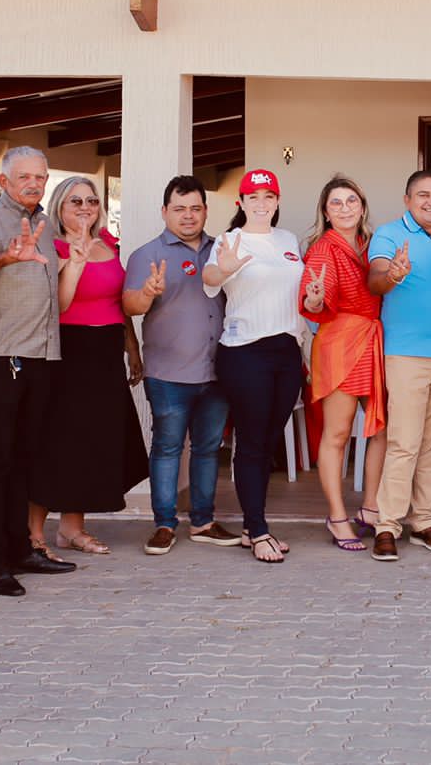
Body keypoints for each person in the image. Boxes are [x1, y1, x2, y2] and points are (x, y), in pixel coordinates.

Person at [0, 147, 76, 597]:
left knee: (25, 459)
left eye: (40, 177)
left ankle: (20, 549)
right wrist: (5, 258)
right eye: (24, 176)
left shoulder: (43, 223)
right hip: (0, 358)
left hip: (41, 357)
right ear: (4, 181)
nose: (34, 184)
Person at [28, 175, 148, 556]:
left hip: (106, 353)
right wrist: (75, 264)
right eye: (75, 201)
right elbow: (59, 305)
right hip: (68, 352)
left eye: (91, 201)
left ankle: (71, 529)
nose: (85, 208)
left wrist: (132, 346)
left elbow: (118, 302)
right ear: (59, 207)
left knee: (89, 442)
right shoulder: (51, 246)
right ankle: (34, 534)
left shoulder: (109, 244)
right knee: (56, 442)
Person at [125, 175, 235, 556]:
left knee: (207, 448)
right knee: (167, 448)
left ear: (205, 210)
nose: (188, 216)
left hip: (217, 371)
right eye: (179, 209)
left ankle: (203, 521)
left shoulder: (221, 250)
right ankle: (164, 524)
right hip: (168, 373)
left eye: (195, 208)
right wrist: (147, 293)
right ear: (164, 212)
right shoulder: (146, 255)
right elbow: (129, 306)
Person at [203, 169, 306, 564]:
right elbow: (209, 279)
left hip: (286, 350)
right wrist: (225, 268)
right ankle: (259, 530)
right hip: (245, 350)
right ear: (241, 203)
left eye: (268, 197)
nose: (261, 204)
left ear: (277, 201)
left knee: (268, 442)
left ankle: (252, 526)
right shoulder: (229, 241)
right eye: (253, 197)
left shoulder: (288, 240)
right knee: (251, 442)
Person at [365, 171, 431, 562]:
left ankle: (424, 521)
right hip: (406, 355)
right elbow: (375, 280)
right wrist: (393, 274)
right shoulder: (389, 234)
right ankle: (387, 525)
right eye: (423, 194)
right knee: (404, 442)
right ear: (407, 199)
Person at [300, 175, 387, 552]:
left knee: (382, 430)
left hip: (373, 339)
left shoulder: (374, 245)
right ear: (325, 211)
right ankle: (337, 516)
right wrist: (315, 298)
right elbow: (312, 301)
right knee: (337, 434)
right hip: (340, 342)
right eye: (336, 202)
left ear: (362, 207)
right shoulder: (323, 249)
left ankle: (371, 507)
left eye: (352, 200)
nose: (345, 208)